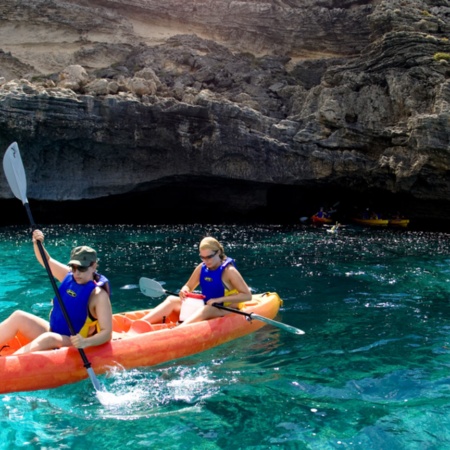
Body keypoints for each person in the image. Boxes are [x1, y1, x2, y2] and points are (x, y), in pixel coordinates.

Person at [0, 230, 113, 355]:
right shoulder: (69, 276)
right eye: (74, 267)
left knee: (49, 338)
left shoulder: (98, 296)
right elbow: (46, 261)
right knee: (19, 316)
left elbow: (106, 333)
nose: (77, 273)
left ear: (94, 266)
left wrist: (85, 342)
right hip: (54, 330)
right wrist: (37, 244)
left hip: (73, 340)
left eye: (82, 268)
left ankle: (8, 366)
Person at [141, 237, 252, 326]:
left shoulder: (229, 271)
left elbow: (247, 296)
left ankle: (179, 330)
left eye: (209, 257)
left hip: (227, 309)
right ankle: (138, 324)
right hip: (207, 305)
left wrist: (219, 299)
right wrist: (184, 290)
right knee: (172, 300)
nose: (205, 261)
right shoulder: (201, 268)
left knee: (207, 309)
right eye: (202, 257)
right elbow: (189, 286)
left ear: (218, 252)